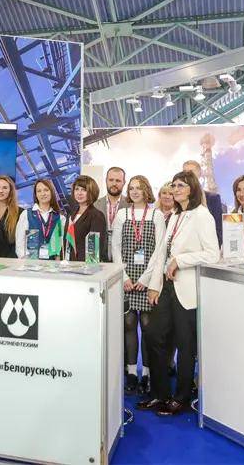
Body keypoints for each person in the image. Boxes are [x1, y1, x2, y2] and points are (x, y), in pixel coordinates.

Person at [138, 170, 220, 417]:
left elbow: (212, 254)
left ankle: (181, 398)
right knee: (153, 335)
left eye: (181, 185)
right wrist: (154, 284)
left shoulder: (202, 215)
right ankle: (159, 394)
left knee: (185, 346)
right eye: (173, 185)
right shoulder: (175, 215)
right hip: (167, 286)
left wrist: (180, 260)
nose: (175, 189)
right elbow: (161, 253)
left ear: (192, 188)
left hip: (187, 290)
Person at [110, 175, 165, 396]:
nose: (134, 191)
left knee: (148, 326)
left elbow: (160, 250)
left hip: (147, 278)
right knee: (129, 323)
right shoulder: (122, 214)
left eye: (139, 188)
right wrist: (123, 276)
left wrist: (146, 279)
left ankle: (147, 374)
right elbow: (115, 247)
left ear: (146, 191)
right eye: (131, 188)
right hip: (126, 278)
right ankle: (132, 372)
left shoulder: (156, 215)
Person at [14, 178, 64, 259]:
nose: (43, 193)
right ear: (36, 195)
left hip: (52, 264)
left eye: (46, 190)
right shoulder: (26, 214)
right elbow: (20, 242)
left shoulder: (60, 218)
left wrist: (58, 260)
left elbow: (61, 243)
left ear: (51, 192)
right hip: (31, 263)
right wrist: (25, 260)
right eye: (39, 191)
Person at [65, 175, 109, 262]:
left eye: (84, 190)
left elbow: (94, 251)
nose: (79, 193)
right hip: (69, 263)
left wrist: (88, 268)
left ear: (91, 192)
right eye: (77, 189)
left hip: (84, 266)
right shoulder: (72, 214)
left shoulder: (96, 215)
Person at [182, 160, 224, 245]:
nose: (187, 175)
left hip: (207, 249)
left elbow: (218, 229)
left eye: (191, 172)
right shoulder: (179, 199)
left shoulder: (213, 198)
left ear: (199, 174)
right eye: (184, 172)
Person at [94, 166, 128, 241]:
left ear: (124, 183)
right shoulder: (95, 205)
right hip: (101, 247)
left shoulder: (130, 205)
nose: (114, 183)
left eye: (118, 181)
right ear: (106, 181)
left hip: (122, 247)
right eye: (111, 180)